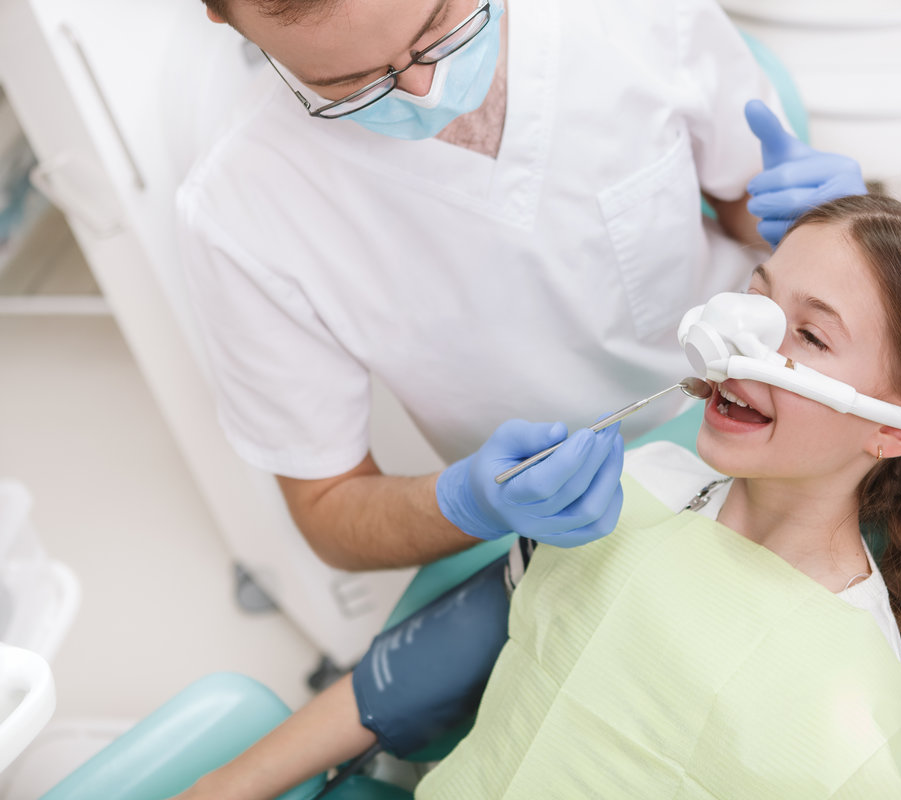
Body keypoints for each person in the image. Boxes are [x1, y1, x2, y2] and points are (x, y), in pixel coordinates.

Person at [169, 193, 901, 799]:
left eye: (811, 334)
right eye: (756, 301)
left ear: (896, 429)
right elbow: (424, 669)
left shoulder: (836, 699)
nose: (738, 339)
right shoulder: (635, 493)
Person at [180, 0, 866, 570]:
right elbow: (328, 508)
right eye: (353, 83)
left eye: (440, 27)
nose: (426, 90)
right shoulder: (239, 211)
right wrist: (468, 502)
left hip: (787, 421)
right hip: (579, 531)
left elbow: (746, 202)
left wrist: (815, 224)